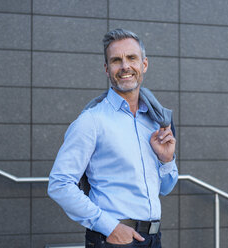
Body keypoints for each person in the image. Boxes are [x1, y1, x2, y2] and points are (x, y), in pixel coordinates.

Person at [48, 28, 178, 248]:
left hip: (154, 239)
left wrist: (166, 160)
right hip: (113, 240)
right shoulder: (92, 121)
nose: (125, 66)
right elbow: (59, 184)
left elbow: (165, 188)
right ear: (107, 69)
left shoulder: (157, 121)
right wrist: (111, 227)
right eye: (117, 60)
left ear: (144, 65)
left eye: (131, 58)